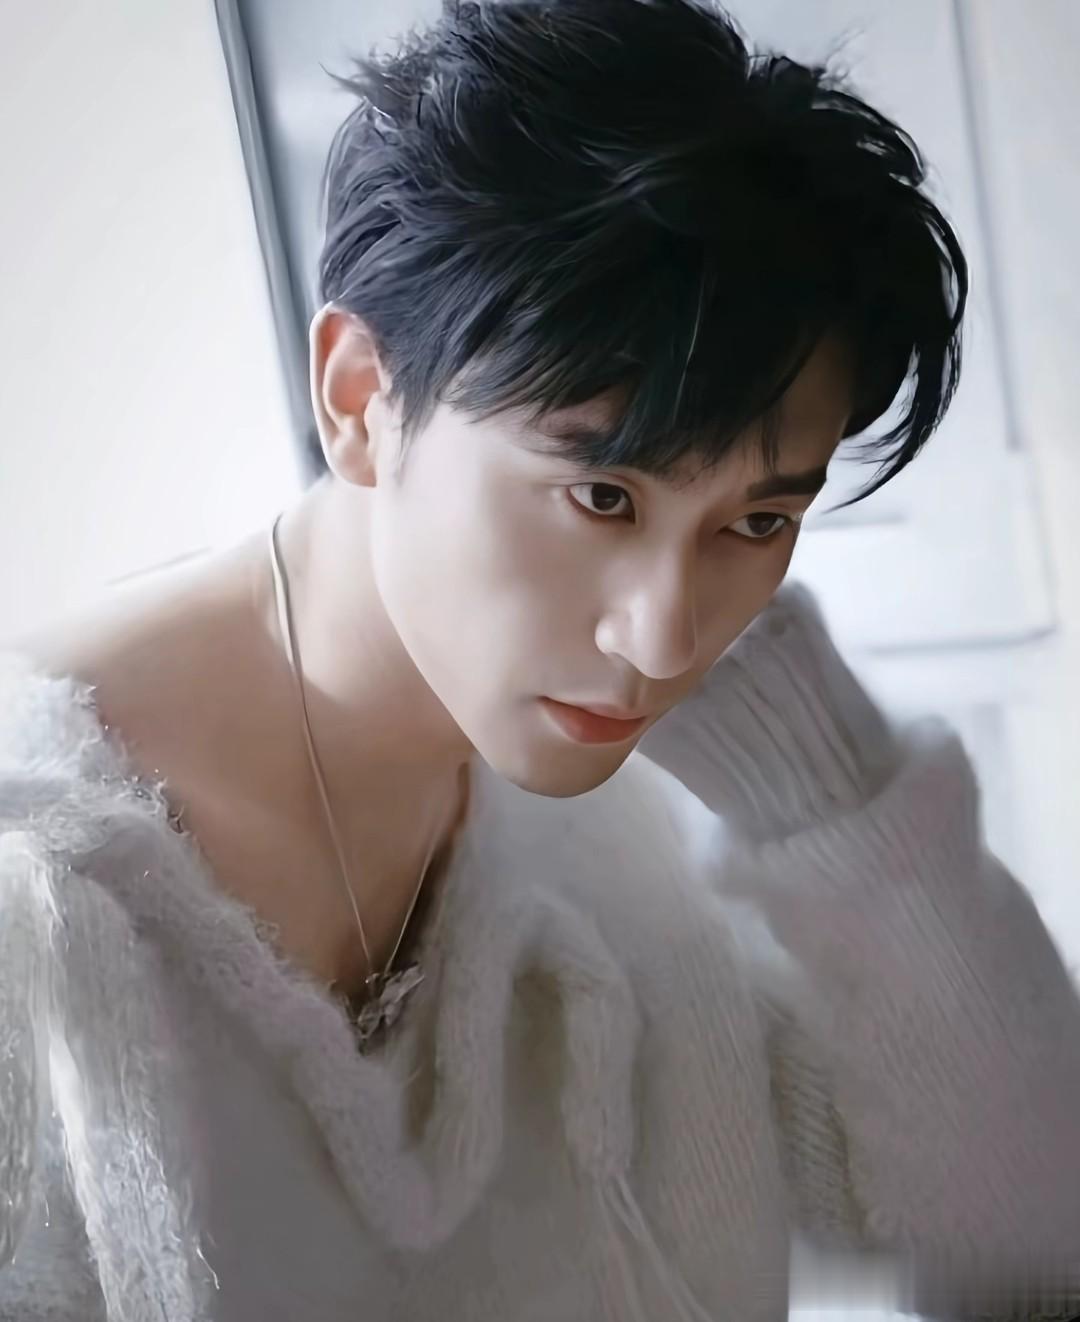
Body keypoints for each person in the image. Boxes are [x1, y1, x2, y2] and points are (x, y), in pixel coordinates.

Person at [1, 0, 1078, 1318]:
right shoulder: (38, 902)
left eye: (757, 521)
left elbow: (1028, 1232)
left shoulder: (645, 806)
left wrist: (823, 783)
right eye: (602, 497)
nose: (665, 641)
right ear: (359, 397)